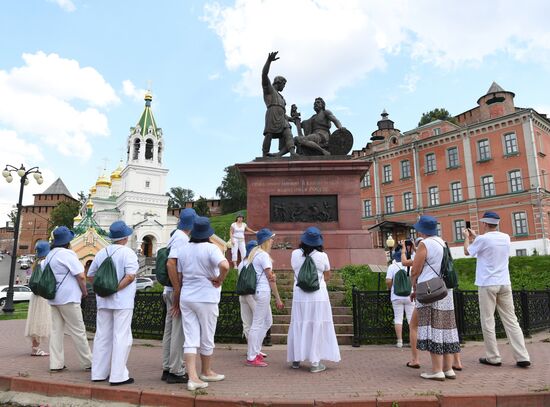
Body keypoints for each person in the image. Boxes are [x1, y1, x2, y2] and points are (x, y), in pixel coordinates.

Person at [463, 211, 531, 368]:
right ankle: (522, 356)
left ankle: (493, 357)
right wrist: (476, 237)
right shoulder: (505, 237)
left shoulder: (482, 239)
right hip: (504, 282)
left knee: (488, 321)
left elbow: (468, 251)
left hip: (487, 283)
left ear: (485, 223)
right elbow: (488, 244)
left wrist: (467, 237)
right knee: (511, 320)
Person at [177, 216, 230, 391]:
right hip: (206, 297)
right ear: (208, 233)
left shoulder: (184, 249)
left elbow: (180, 276)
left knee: (190, 337)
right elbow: (225, 266)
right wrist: (219, 280)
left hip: (187, 296)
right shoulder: (211, 248)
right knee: (207, 335)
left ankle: (192, 377)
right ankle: (206, 371)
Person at [87, 221, 138, 386]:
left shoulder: (101, 252)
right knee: (121, 336)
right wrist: (115, 289)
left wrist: (103, 289)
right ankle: (118, 375)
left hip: (103, 301)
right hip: (122, 301)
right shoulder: (128, 253)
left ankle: (98, 373)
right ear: (126, 237)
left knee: (102, 336)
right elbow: (130, 276)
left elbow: (90, 275)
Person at [410, 215, 460, 381]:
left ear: (422, 230)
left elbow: (415, 269)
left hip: (430, 291)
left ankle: (436, 370)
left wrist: (414, 285)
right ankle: (448, 369)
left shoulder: (425, 244)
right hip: (444, 290)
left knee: (433, 327)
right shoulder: (443, 242)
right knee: (445, 328)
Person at [287, 227, 340, 373]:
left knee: (299, 323)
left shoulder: (294, 254)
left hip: (299, 295)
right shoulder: (323, 256)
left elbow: (295, 270)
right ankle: (315, 363)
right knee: (316, 325)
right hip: (318, 295)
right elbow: (327, 275)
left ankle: (296, 359)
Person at [45, 226, 92, 372]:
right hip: (69, 298)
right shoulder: (67, 254)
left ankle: (56, 364)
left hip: (54, 298)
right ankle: (88, 362)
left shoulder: (49, 255)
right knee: (78, 331)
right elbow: (81, 275)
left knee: (56, 332)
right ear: (68, 241)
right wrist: (84, 292)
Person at [161, 208, 196, 384]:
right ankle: (176, 370)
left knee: (169, 330)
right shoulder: (182, 239)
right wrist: (178, 290)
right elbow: (171, 263)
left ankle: (167, 367)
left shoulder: (174, 236)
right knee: (178, 331)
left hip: (167, 289)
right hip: (174, 290)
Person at [246, 228, 284, 367]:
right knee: (257, 324)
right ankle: (251, 356)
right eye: (271, 238)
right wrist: (278, 298)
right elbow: (271, 279)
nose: (273, 240)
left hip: (258, 291)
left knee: (267, 321)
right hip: (262, 291)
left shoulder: (255, 253)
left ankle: (256, 351)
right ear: (266, 241)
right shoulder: (263, 255)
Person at [261, 51, 296, 157]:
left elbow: (283, 113)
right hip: (272, 113)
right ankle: (265, 154)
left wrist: (291, 119)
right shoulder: (269, 89)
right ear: (278, 82)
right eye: (283, 84)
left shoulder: (281, 98)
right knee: (269, 134)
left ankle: (292, 153)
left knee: (288, 132)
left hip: (282, 118)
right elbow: (264, 74)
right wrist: (269, 61)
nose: (284, 87)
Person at [25, 240, 51, 356]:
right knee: (41, 320)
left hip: (35, 296)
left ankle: (34, 347)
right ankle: (36, 349)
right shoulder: (45, 262)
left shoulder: (36, 263)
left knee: (35, 320)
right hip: (43, 296)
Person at [386, 246, 415, 349]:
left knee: (398, 318)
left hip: (396, 296)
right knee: (411, 319)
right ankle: (413, 342)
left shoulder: (392, 267)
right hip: (409, 295)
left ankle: (399, 341)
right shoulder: (409, 265)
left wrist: (390, 288)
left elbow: (388, 281)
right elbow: (414, 279)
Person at [237, 239, 258, 341]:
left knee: (246, 322)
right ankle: (255, 348)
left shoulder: (241, 263)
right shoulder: (255, 262)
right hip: (253, 294)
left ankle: (250, 347)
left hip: (242, 294)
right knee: (257, 320)